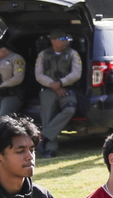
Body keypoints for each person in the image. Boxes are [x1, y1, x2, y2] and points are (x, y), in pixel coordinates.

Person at [34, 29, 81, 158]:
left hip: (67, 88)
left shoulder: (73, 54)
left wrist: (61, 83)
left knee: (70, 109)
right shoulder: (43, 55)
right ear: (53, 40)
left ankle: (43, 136)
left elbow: (76, 73)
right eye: (61, 39)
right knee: (47, 116)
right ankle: (50, 149)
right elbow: (39, 75)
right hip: (48, 89)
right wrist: (53, 85)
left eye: (66, 39)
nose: (64, 42)